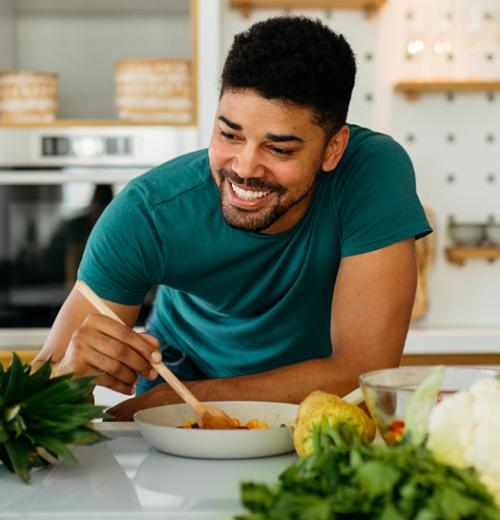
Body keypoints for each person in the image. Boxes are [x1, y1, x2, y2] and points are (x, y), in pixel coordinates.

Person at [32, 16, 431, 420]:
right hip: (179, 412)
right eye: (230, 135)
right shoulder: (146, 214)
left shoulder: (372, 171)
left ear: (333, 149)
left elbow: (362, 372)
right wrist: (69, 375)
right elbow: (33, 408)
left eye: (279, 149)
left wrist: (178, 399)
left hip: (304, 411)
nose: (245, 168)